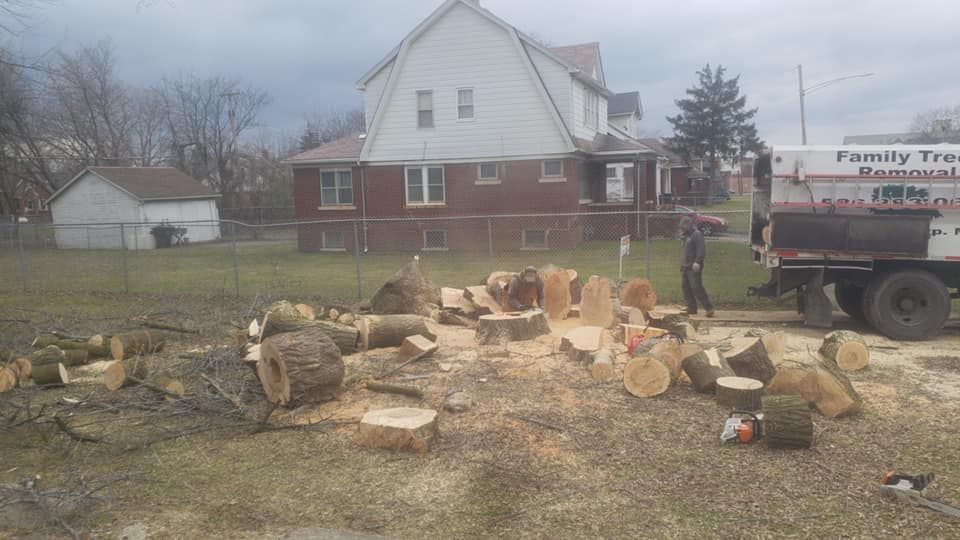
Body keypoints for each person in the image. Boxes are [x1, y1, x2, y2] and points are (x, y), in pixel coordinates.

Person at [679, 217, 715, 317]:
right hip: (685, 266)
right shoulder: (686, 236)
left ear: (689, 226)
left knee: (697, 287)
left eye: (684, 227)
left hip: (693, 266)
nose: (682, 229)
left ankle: (709, 308)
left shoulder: (697, 234)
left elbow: (701, 250)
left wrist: (698, 261)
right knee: (685, 288)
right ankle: (691, 308)